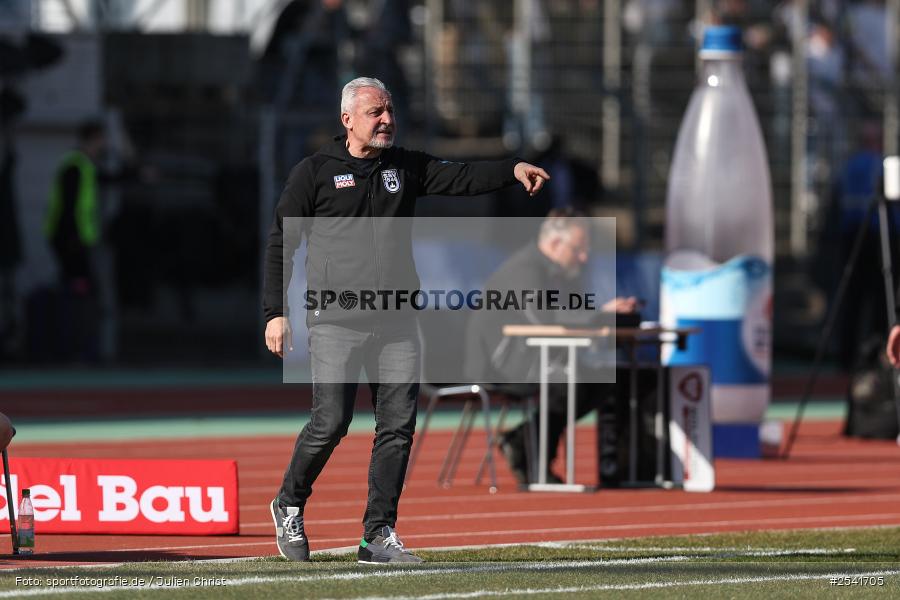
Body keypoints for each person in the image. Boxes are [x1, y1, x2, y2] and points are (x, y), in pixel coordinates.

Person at [263, 77, 549, 564]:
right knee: (331, 421)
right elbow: (281, 243)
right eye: (375, 112)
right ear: (347, 119)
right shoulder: (314, 172)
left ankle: (377, 535)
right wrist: (276, 312)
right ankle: (289, 502)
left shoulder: (405, 166)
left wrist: (512, 168)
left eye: (390, 111)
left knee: (396, 428)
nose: (387, 120)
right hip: (336, 319)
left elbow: (461, 177)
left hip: (395, 320)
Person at [464, 210, 638, 484]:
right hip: (499, 366)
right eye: (578, 249)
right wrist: (601, 313)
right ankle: (531, 453)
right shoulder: (525, 269)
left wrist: (606, 315)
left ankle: (523, 442)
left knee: (604, 380)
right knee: (570, 382)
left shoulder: (561, 272)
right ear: (556, 243)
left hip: (532, 357)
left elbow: (571, 314)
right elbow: (544, 318)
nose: (584, 257)